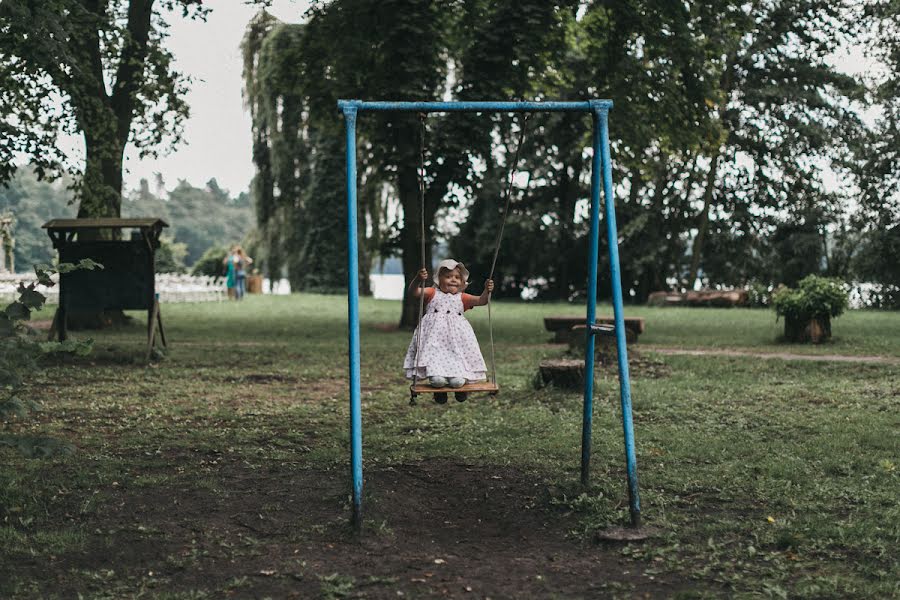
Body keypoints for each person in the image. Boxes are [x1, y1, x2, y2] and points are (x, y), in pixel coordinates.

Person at [402, 259, 494, 404]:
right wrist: (418, 279)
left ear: (462, 282)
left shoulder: (462, 297)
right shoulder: (432, 293)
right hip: (435, 342)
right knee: (437, 381)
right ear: (439, 279)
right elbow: (414, 292)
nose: (453, 280)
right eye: (449, 276)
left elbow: (482, 301)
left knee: (457, 382)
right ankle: (440, 392)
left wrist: (486, 290)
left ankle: (460, 390)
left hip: (457, 343)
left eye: (457, 277)